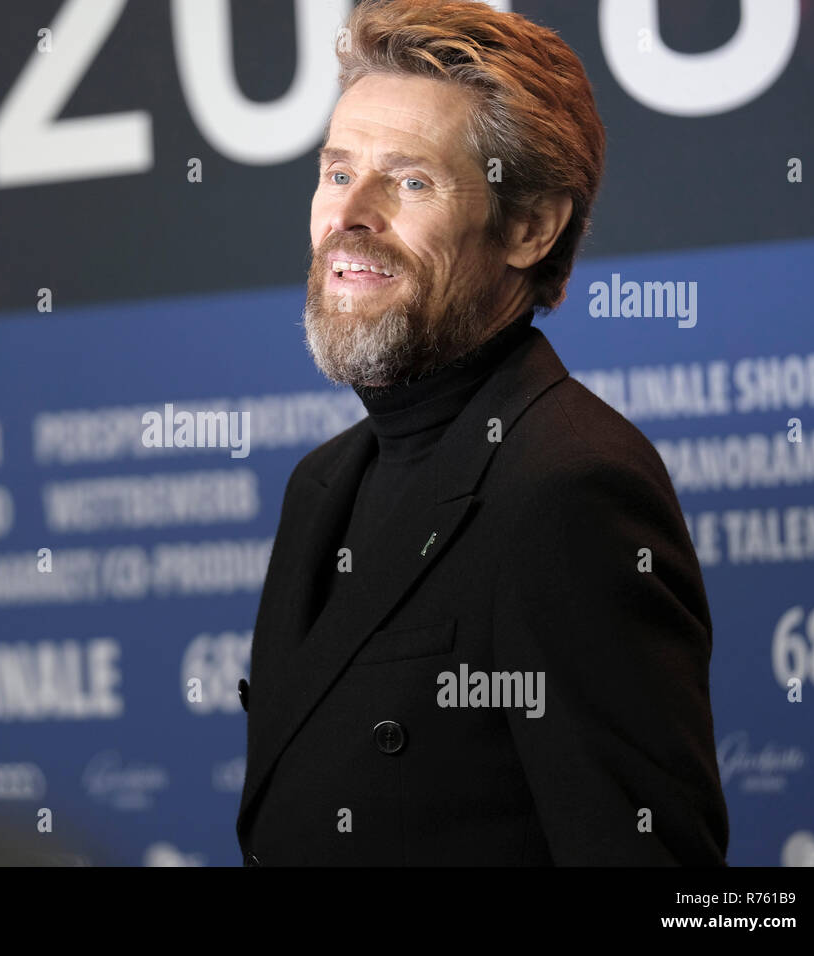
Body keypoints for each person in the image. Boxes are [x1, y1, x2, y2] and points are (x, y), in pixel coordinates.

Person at [235, 0, 728, 866]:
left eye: (412, 181)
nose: (352, 215)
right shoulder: (319, 486)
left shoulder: (571, 485)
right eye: (337, 171)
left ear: (530, 228)